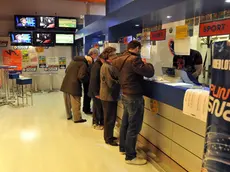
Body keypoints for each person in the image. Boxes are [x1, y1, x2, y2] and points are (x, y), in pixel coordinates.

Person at [113, 40, 155, 165]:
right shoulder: (134, 60)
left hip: (125, 93)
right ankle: (130, 156)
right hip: (134, 95)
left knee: (125, 123)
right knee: (134, 126)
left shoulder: (118, 59)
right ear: (136, 48)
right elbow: (149, 72)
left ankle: (123, 148)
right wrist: (149, 64)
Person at [99, 47, 120, 146]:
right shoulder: (106, 67)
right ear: (109, 56)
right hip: (108, 96)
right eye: (114, 54)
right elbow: (110, 83)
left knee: (110, 117)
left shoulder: (108, 65)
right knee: (109, 118)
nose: (116, 56)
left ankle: (109, 136)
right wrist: (120, 82)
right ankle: (108, 138)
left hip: (109, 96)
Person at [60, 56, 90, 123]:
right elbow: (81, 76)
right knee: (75, 102)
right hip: (74, 85)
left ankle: (69, 115)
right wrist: (87, 80)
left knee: (67, 102)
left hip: (65, 83)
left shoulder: (73, 61)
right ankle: (77, 118)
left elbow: (66, 70)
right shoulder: (83, 64)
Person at [88, 50, 104, 130]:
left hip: (94, 90)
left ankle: (95, 123)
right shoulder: (97, 66)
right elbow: (94, 79)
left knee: (96, 107)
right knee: (98, 108)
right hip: (96, 90)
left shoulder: (96, 64)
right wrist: (96, 93)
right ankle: (97, 123)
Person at [83, 48, 99, 114]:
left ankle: (85, 108)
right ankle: (87, 109)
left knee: (86, 95)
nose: (97, 56)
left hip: (85, 80)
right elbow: (90, 71)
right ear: (93, 54)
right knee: (88, 95)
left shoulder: (86, 58)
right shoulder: (90, 60)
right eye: (96, 54)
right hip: (88, 80)